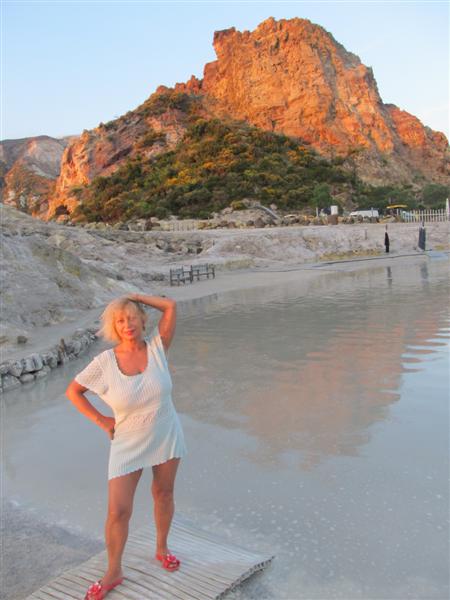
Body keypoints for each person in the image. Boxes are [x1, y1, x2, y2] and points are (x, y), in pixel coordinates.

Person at [66, 294, 187, 599]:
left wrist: (131, 296)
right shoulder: (104, 363)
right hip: (127, 441)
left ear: (142, 320)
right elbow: (74, 392)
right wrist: (102, 420)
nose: (127, 324)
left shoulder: (158, 348)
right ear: (114, 326)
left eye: (132, 317)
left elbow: (170, 306)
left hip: (166, 431)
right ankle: (113, 571)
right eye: (120, 320)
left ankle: (162, 548)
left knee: (163, 493)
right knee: (118, 511)